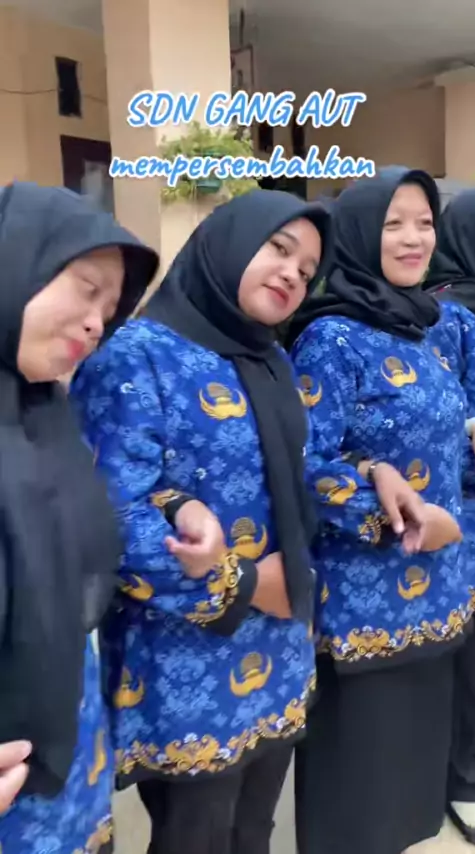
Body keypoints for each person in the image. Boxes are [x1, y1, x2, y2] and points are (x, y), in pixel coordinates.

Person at [69, 189, 333, 854]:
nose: (291, 274)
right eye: (279, 250)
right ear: (227, 245)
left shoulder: (272, 359)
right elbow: (109, 511)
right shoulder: (135, 355)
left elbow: (294, 483)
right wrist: (243, 585)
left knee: (254, 831)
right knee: (197, 838)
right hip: (185, 661)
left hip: (281, 647)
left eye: (306, 271)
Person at [287, 168, 475, 854]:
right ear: (362, 233)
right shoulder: (332, 338)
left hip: (440, 594)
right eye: (394, 223)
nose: (413, 238)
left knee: (406, 799)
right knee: (358, 800)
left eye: (425, 223)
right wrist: (389, 507)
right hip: (364, 603)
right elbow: (304, 463)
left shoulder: (427, 327)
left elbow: (447, 444)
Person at [0, 180, 159, 853]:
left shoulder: (44, 416)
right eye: (86, 289)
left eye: (110, 310)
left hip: (69, 757)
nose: (97, 324)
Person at [426, 189, 475, 846]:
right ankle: (466, 780)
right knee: (472, 663)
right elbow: (436, 423)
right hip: (466, 515)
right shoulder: (443, 315)